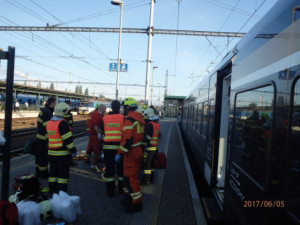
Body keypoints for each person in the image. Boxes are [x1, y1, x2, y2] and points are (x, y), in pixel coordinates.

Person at [116, 97, 145, 213]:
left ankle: (137, 204)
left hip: (131, 153)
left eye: (124, 107)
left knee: (131, 179)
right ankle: (129, 198)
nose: (123, 109)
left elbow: (127, 141)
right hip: (135, 151)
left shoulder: (129, 120)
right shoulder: (138, 119)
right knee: (128, 177)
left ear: (128, 107)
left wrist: (119, 153)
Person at [46, 102, 77, 194]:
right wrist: (73, 150)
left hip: (51, 154)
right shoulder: (62, 123)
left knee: (53, 175)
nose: (68, 114)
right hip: (62, 155)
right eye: (67, 112)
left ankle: (52, 192)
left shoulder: (49, 123)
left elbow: (48, 138)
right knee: (62, 176)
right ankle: (61, 194)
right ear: (64, 112)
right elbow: (68, 140)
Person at [101, 100, 124, 197]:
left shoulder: (105, 118)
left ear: (111, 107)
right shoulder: (123, 118)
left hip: (108, 148)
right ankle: (121, 189)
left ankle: (110, 191)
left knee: (109, 170)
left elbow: (101, 131)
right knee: (120, 170)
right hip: (120, 149)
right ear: (119, 108)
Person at [35, 97, 56, 178]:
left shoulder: (44, 110)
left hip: (39, 137)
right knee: (43, 157)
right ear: (51, 103)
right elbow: (48, 128)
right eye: (55, 103)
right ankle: (43, 174)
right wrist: (49, 140)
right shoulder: (48, 112)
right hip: (43, 139)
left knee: (38, 157)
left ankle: (38, 172)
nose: (56, 104)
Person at [142, 116, 160, 185]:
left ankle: (146, 181)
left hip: (149, 148)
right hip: (155, 148)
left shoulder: (149, 125)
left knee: (147, 166)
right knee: (152, 165)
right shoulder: (156, 125)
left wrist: (144, 143)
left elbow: (148, 137)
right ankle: (151, 179)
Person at [90, 103, 106, 172]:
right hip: (95, 135)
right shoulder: (97, 114)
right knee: (96, 150)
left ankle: (94, 163)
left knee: (97, 149)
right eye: (104, 109)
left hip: (96, 135)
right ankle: (92, 164)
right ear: (101, 108)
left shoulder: (98, 114)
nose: (105, 111)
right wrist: (99, 134)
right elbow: (95, 125)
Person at [64, 100, 76, 166]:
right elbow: (71, 123)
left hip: (65, 132)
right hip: (67, 132)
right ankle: (69, 161)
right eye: (69, 104)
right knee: (69, 146)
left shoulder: (62, 113)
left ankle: (69, 161)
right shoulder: (68, 114)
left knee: (66, 147)